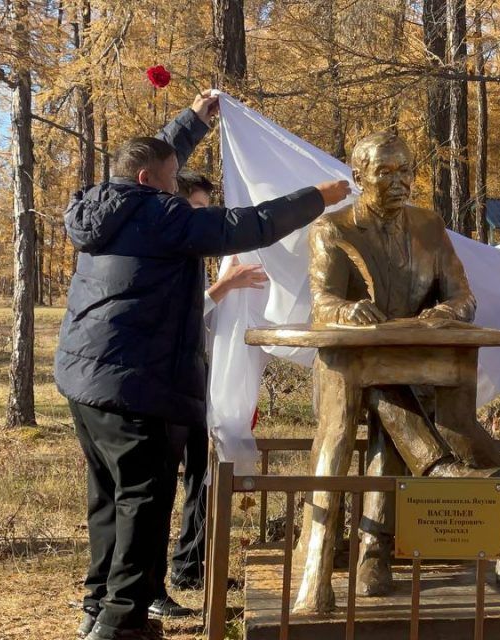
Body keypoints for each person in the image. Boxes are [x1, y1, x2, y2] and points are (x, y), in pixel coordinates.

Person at [56, 90, 351, 640]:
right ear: (149, 182)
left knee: (109, 497)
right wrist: (317, 196)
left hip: (85, 377)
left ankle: (99, 605)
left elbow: (150, 157)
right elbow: (247, 225)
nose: (177, 187)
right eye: (172, 181)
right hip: (138, 382)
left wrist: (192, 122)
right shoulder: (163, 215)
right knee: (143, 502)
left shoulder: (100, 203)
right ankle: (121, 622)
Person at [297, 131, 500, 613]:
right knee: (380, 399)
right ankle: (362, 549)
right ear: (359, 177)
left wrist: (447, 312)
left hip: (423, 362)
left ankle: (380, 550)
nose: (399, 181)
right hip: (354, 365)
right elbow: (322, 301)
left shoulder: (428, 225)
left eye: (405, 170)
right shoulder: (332, 228)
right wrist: (346, 311)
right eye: (385, 172)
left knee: (452, 425)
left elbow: (463, 296)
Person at [143, 173, 270, 620]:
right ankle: (148, 586)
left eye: (205, 209)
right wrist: (225, 287)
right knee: (158, 488)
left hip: (198, 381)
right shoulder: (165, 253)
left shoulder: (199, 256)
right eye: (196, 208)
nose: (202, 218)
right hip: (164, 387)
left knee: (204, 474)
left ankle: (191, 566)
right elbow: (178, 316)